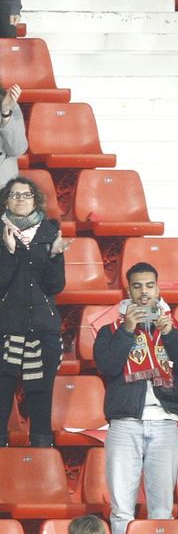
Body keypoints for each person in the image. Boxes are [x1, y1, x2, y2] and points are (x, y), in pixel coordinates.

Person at [94, 261, 178, 534]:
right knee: (121, 508)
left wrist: (169, 334)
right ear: (128, 290)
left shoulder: (174, 327)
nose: (144, 292)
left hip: (165, 423)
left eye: (150, 285)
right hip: (124, 423)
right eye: (138, 286)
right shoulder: (110, 330)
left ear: (158, 288)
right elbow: (107, 366)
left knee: (162, 507)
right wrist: (127, 331)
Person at [0, 169, 63, 449]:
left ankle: (40, 466)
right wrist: (10, 252)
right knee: (1, 399)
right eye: (15, 195)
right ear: (6, 201)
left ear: (35, 200)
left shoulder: (51, 231)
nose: (20, 199)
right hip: (7, 328)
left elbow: (55, 285)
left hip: (43, 328)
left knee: (40, 400)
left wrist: (54, 256)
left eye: (26, 195)